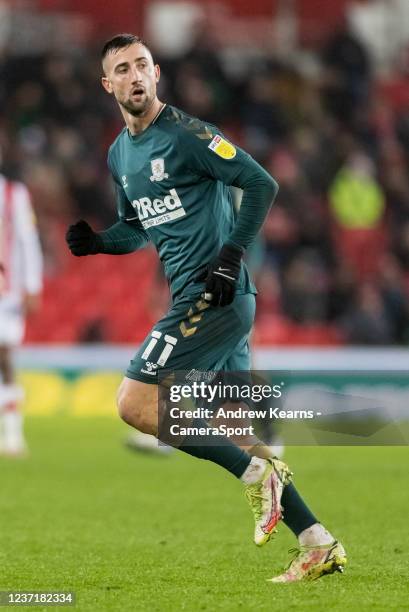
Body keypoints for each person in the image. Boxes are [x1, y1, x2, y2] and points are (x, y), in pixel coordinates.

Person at [65, 33, 346, 582]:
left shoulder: (189, 135)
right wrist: (100, 241)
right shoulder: (120, 153)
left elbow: (260, 183)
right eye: (123, 69)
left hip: (213, 293)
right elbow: (136, 228)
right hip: (213, 298)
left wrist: (229, 257)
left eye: (143, 64)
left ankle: (254, 479)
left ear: (157, 72)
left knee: (135, 405)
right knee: (236, 431)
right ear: (108, 84)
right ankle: (317, 541)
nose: (135, 75)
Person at [0, 173, 43, 455]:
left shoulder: (14, 194)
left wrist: (32, 285)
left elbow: (28, 239)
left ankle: (14, 433)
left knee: (4, 355)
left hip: (8, 292)